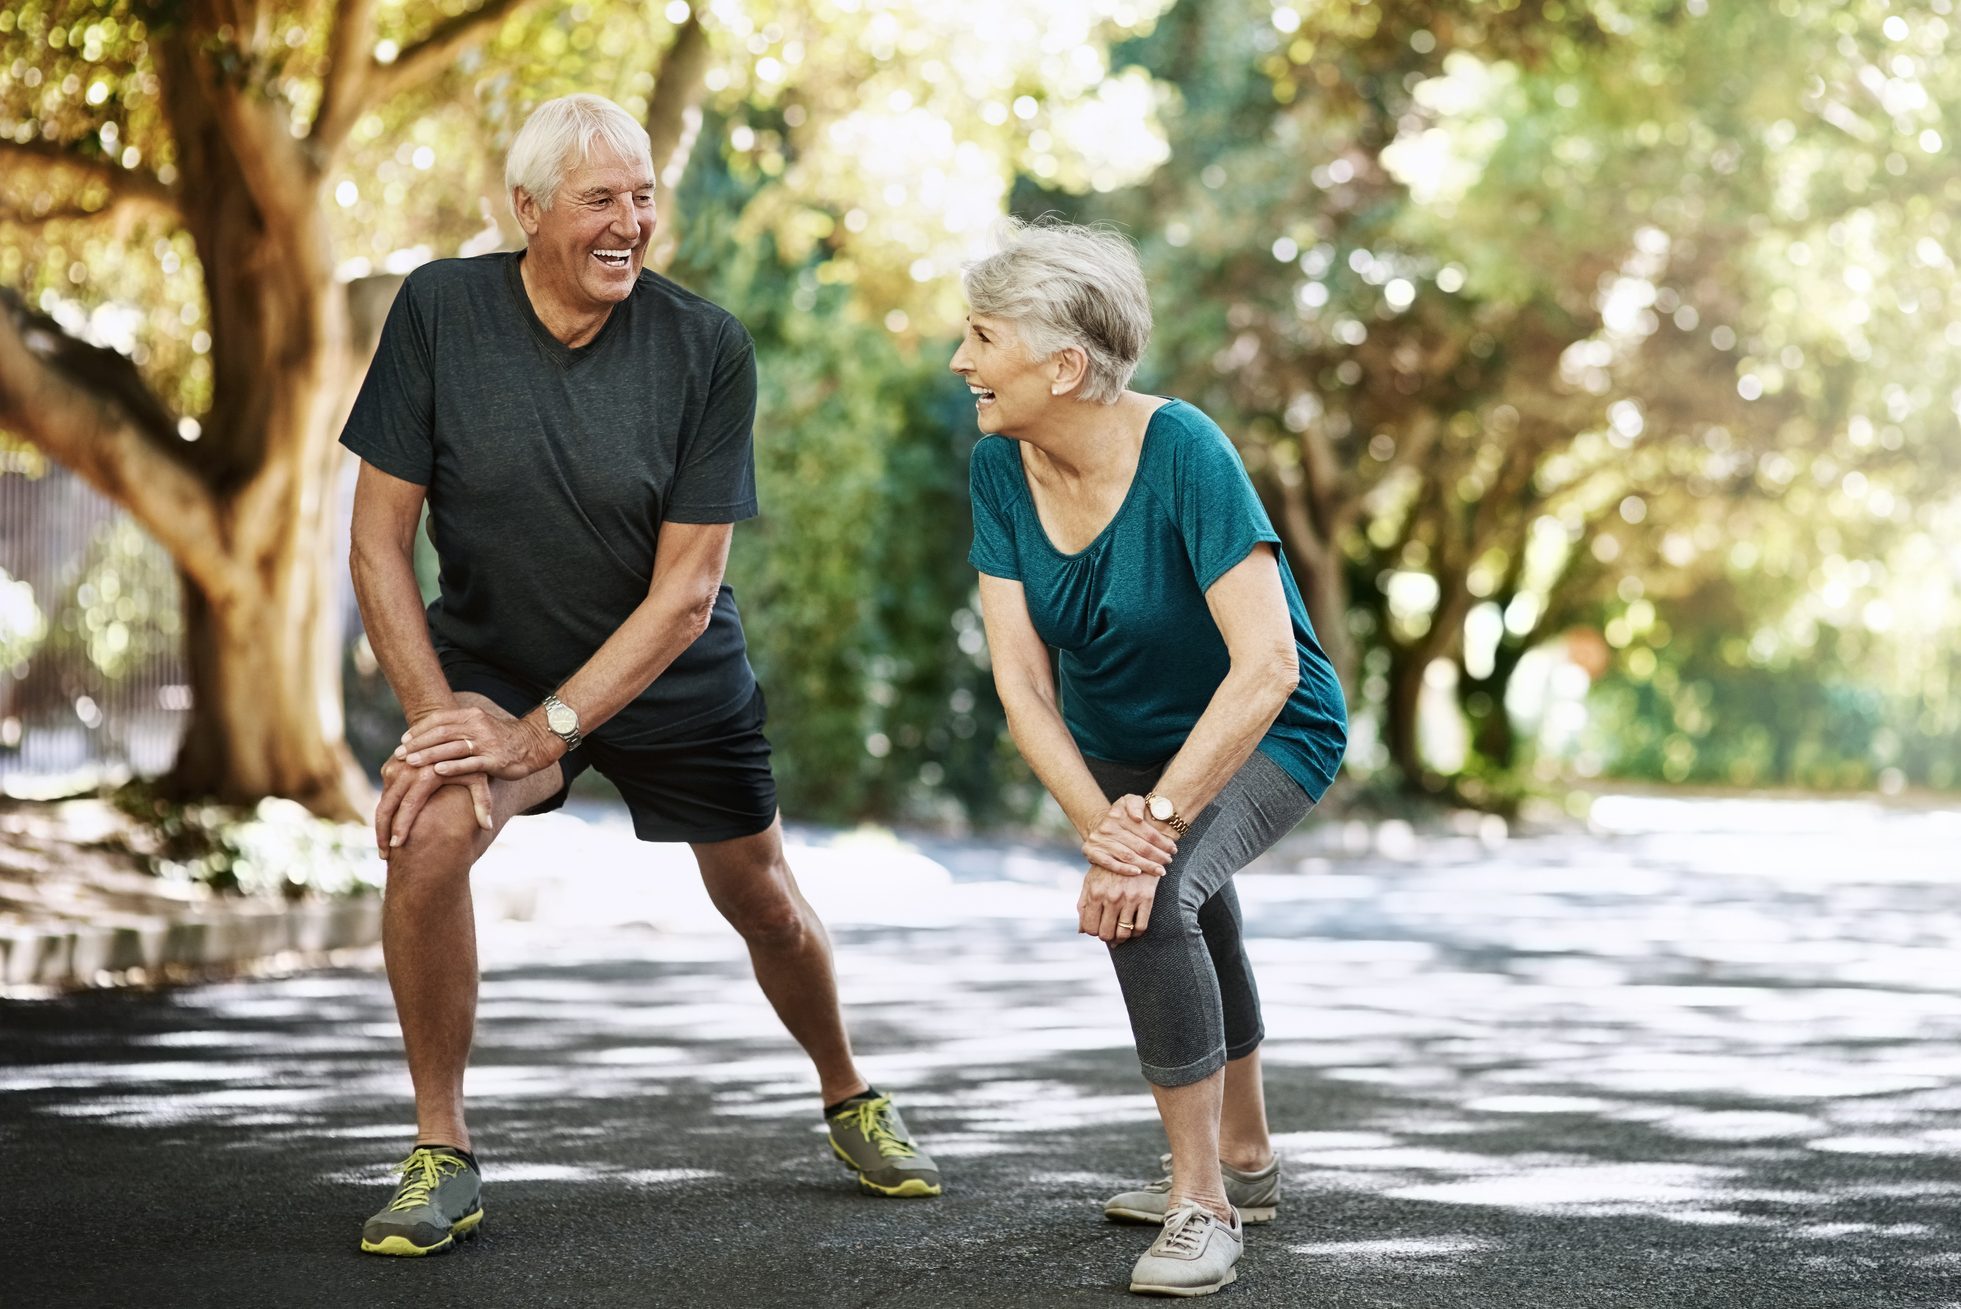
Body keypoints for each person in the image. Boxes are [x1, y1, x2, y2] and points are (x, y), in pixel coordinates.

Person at [341, 93, 939, 1257]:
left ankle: (845, 1088)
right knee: (426, 832)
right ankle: (439, 1150)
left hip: (669, 669)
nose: (630, 223)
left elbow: (685, 594)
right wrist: (437, 723)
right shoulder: (439, 310)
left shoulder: (703, 346)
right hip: (496, 659)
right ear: (524, 211)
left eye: (643, 196)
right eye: (599, 199)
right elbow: (376, 543)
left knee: (761, 896)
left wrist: (547, 731)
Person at [953, 218, 1347, 1297]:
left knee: (1153, 894)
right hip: (1126, 754)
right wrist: (1099, 820)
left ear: (1063, 364)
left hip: (1267, 726)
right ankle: (1248, 1160)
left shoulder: (1184, 453)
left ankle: (1201, 1203)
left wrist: (1145, 835)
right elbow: (1022, 684)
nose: (960, 360)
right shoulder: (1000, 467)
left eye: (981, 337)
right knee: (1177, 891)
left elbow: (1266, 667)